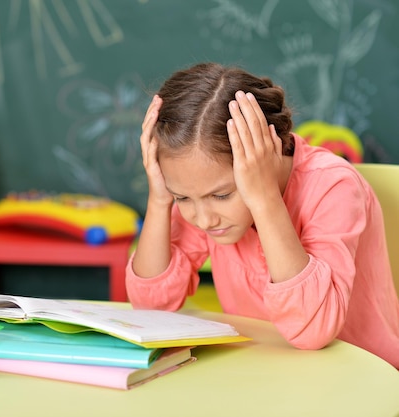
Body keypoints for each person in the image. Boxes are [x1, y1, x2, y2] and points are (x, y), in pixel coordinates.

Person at [126, 62, 399, 369]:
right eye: (183, 197)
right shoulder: (205, 191)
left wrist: (265, 198)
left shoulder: (334, 186)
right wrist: (160, 201)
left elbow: (313, 332)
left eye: (222, 195)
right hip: (264, 373)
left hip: (360, 376)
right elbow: (151, 306)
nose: (204, 219)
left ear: (264, 153)